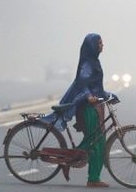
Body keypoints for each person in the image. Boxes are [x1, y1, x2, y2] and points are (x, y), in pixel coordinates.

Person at [53, 33, 115, 188]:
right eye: (99, 43)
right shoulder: (87, 63)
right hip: (88, 108)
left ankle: (92, 177)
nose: (102, 45)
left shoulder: (94, 61)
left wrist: (108, 94)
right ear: (92, 46)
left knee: (97, 141)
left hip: (96, 106)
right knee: (95, 141)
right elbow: (82, 83)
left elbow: (96, 86)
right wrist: (88, 97)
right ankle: (82, 170)